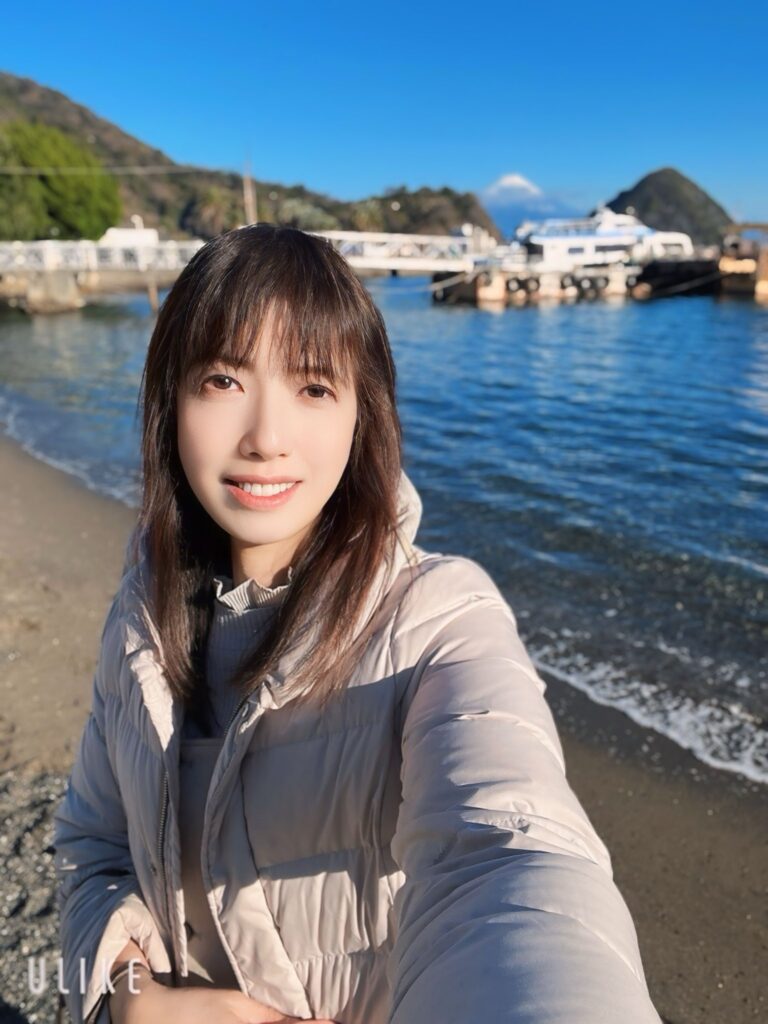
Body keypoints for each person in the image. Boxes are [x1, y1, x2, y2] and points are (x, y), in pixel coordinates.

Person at [53, 224, 662, 1024]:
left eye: (313, 387)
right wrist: (132, 998)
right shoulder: (139, 619)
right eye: (223, 380)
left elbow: (512, 858)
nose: (266, 439)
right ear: (171, 402)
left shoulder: (441, 622)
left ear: (361, 413)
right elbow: (90, 849)